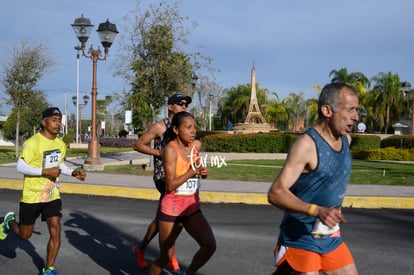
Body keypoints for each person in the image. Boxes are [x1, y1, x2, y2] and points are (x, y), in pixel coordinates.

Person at [267, 83, 359, 275]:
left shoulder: (346, 140)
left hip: (329, 234)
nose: (355, 117)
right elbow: (276, 193)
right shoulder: (307, 145)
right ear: (327, 110)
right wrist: (316, 210)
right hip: (300, 235)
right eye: (350, 110)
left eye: (356, 110)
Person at [0, 107, 86, 275]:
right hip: (32, 195)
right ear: (44, 122)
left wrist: (73, 172)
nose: (58, 123)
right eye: (54, 120)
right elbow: (20, 166)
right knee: (25, 236)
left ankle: (49, 268)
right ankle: (9, 222)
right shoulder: (33, 142)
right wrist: (45, 172)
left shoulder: (60, 144)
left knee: (56, 230)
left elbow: (58, 165)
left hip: (52, 194)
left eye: (60, 120)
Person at [149, 111, 216, 275]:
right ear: (176, 130)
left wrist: (202, 173)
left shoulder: (196, 146)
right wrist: (192, 172)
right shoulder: (169, 151)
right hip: (171, 210)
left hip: (191, 207)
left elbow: (197, 169)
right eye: (188, 127)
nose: (193, 131)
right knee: (165, 257)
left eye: (194, 127)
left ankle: (188, 273)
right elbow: (170, 185)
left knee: (209, 246)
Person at [132, 93, 192, 271]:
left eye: (186, 104)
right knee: (172, 218)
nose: (184, 107)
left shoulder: (184, 126)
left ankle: (142, 248)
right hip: (163, 177)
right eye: (180, 104)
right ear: (170, 106)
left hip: (180, 175)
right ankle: (169, 257)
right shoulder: (161, 126)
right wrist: (159, 153)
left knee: (164, 219)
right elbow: (138, 145)